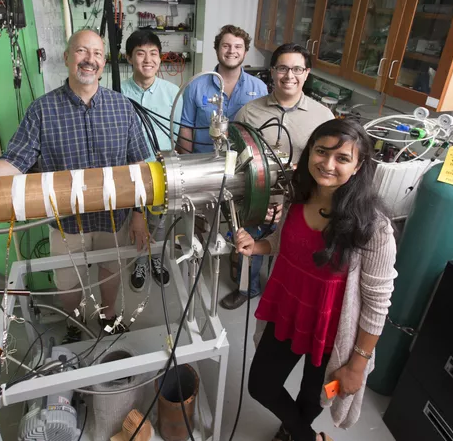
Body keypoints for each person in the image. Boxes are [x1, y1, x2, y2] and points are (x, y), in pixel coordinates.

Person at [0, 29, 151, 343]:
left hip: (113, 217)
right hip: (65, 222)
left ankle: (108, 318)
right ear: (67, 57)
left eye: (96, 54)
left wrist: (139, 214)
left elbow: (140, 168)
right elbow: (14, 162)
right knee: (68, 284)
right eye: (81, 51)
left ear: (104, 62)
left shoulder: (122, 108)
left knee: (111, 270)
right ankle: (75, 325)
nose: (89, 60)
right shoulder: (42, 110)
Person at [235, 119, 397, 441]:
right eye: (321, 152)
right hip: (288, 312)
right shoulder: (298, 195)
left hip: (334, 333)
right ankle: (306, 436)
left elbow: (378, 305)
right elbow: (285, 244)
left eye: (342, 158)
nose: (328, 164)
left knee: (319, 394)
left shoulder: (374, 227)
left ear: (359, 164)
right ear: (310, 152)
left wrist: (356, 366)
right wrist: (258, 247)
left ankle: (293, 430)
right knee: (261, 385)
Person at [221, 43, 334, 310]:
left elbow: (327, 168)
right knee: (250, 248)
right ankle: (247, 289)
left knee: (293, 253)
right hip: (255, 198)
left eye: (297, 69)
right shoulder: (249, 112)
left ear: (307, 73)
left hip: (301, 203)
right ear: (272, 72)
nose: (289, 75)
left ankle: (283, 295)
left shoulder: (323, 117)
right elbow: (233, 157)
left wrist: (293, 199)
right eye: (282, 68)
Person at [121, 29, 182, 292]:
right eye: (141, 53)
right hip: (127, 171)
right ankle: (139, 262)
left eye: (153, 53)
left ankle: (156, 259)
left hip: (162, 171)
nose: (148, 59)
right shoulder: (115, 92)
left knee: (158, 222)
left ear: (161, 57)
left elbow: (178, 133)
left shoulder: (173, 92)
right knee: (133, 222)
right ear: (129, 58)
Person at [178, 24, 267, 154]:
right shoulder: (195, 85)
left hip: (244, 164)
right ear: (217, 49)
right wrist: (188, 162)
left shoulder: (259, 88)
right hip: (203, 162)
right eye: (226, 46)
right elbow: (186, 126)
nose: (232, 51)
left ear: (245, 52)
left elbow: (262, 130)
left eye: (238, 47)